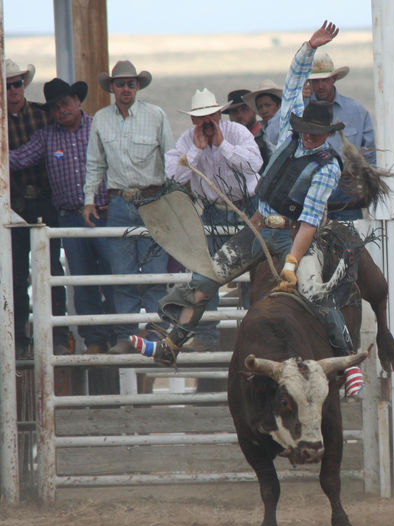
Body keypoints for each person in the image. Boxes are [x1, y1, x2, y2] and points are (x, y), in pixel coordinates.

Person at [130, 21, 365, 397]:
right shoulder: (291, 132)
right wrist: (308, 47)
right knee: (207, 277)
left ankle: (348, 361)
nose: (307, 135)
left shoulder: (328, 165)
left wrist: (290, 262)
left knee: (313, 289)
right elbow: (292, 84)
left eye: (315, 132)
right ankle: (172, 343)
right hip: (259, 227)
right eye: (305, 127)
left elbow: (308, 219)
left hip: (295, 236)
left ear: (327, 134)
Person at [9, 78, 114, 357]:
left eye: (65, 103)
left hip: (104, 212)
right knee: (81, 280)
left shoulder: (99, 127)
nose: (62, 110)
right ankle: (94, 339)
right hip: (69, 217)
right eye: (55, 107)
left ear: (77, 102)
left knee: (112, 275)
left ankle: (117, 334)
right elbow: (18, 159)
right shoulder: (47, 136)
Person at [82, 60, 174, 354]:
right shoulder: (101, 119)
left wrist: (173, 200)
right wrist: (88, 200)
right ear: (112, 87)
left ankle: (157, 335)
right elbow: (95, 163)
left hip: (153, 199)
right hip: (119, 200)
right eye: (120, 84)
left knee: (155, 272)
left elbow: (170, 160)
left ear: (137, 86)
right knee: (122, 273)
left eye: (130, 84)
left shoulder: (156, 115)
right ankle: (126, 335)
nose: (125, 89)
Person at [165, 88, 262, 351]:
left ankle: (255, 335)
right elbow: (173, 178)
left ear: (219, 115)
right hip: (213, 210)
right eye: (201, 118)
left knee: (256, 272)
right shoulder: (187, 141)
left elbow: (255, 164)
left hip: (247, 206)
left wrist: (222, 145)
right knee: (207, 272)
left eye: (211, 116)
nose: (207, 122)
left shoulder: (237, 133)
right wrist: (196, 151)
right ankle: (206, 336)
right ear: (194, 121)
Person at [5, 58, 69, 358]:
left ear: (23, 85)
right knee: (16, 270)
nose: (13, 89)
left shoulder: (43, 117)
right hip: (14, 204)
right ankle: (19, 337)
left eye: (17, 83)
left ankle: (58, 334)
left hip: (45, 199)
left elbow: (18, 159)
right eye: (8, 85)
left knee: (52, 266)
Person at [307, 52, 375, 221]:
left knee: (349, 241)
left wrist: (368, 187)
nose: (321, 85)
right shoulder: (301, 107)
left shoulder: (357, 111)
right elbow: (274, 134)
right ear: (309, 82)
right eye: (315, 81)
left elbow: (371, 154)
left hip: (347, 186)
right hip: (309, 186)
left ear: (334, 79)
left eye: (325, 80)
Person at [224, 87, 275, 170]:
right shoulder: (226, 142)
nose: (239, 115)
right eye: (234, 111)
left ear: (254, 110)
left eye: (244, 109)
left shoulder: (267, 137)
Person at [242, 79, 283, 156]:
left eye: (268, 105)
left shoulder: (289, 128)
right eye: (260, 107)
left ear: (278, 106)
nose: (264, 110)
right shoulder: (258, 136)